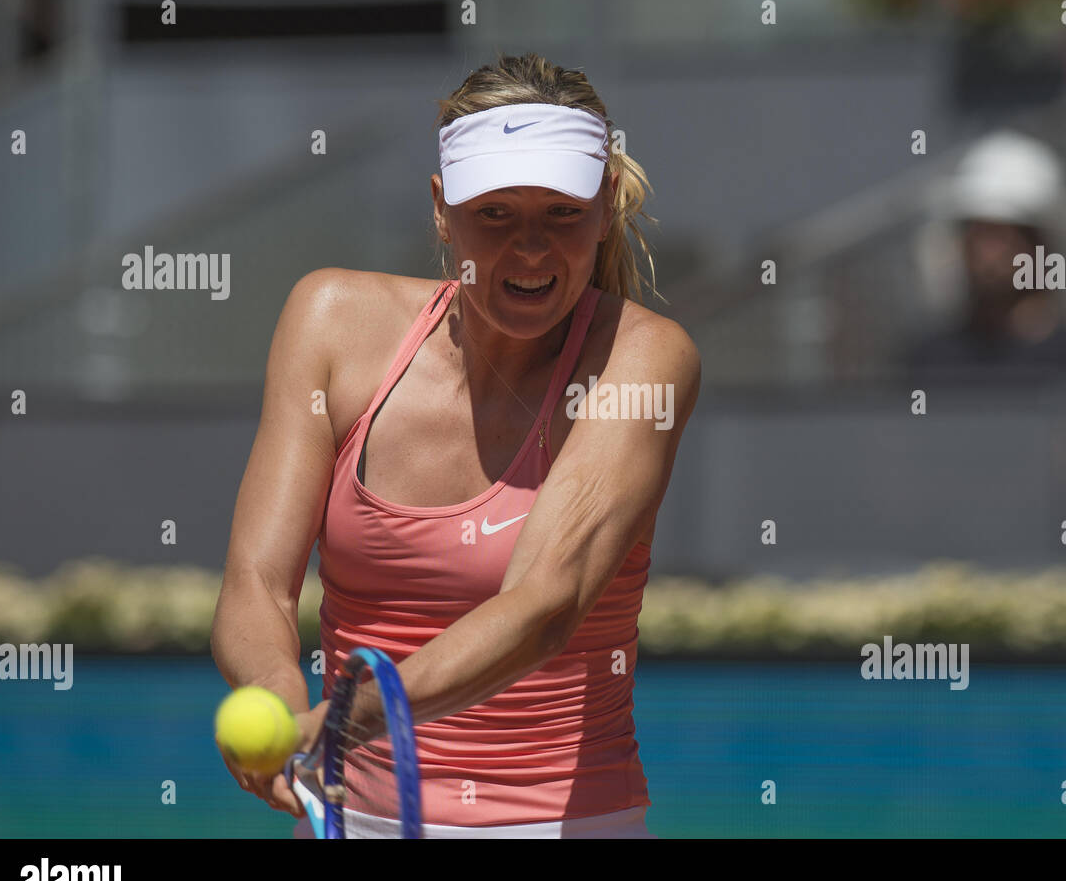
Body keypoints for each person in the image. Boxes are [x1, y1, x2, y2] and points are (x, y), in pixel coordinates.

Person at [210, 53, 700, 838]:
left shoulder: (646, 360)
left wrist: (343, 721)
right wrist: (276, 703)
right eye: (495, 214)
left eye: (562, 214)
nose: (532, 249)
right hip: (343, 812)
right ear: (442, 210)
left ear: (606, 205)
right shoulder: (328, 318)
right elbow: (257, 584)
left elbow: (545, 607)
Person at [908, 130, 1066, 385]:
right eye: (976, 231)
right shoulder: (927, 364)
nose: (986, 251)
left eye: (1000, 234)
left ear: (1041, 242)